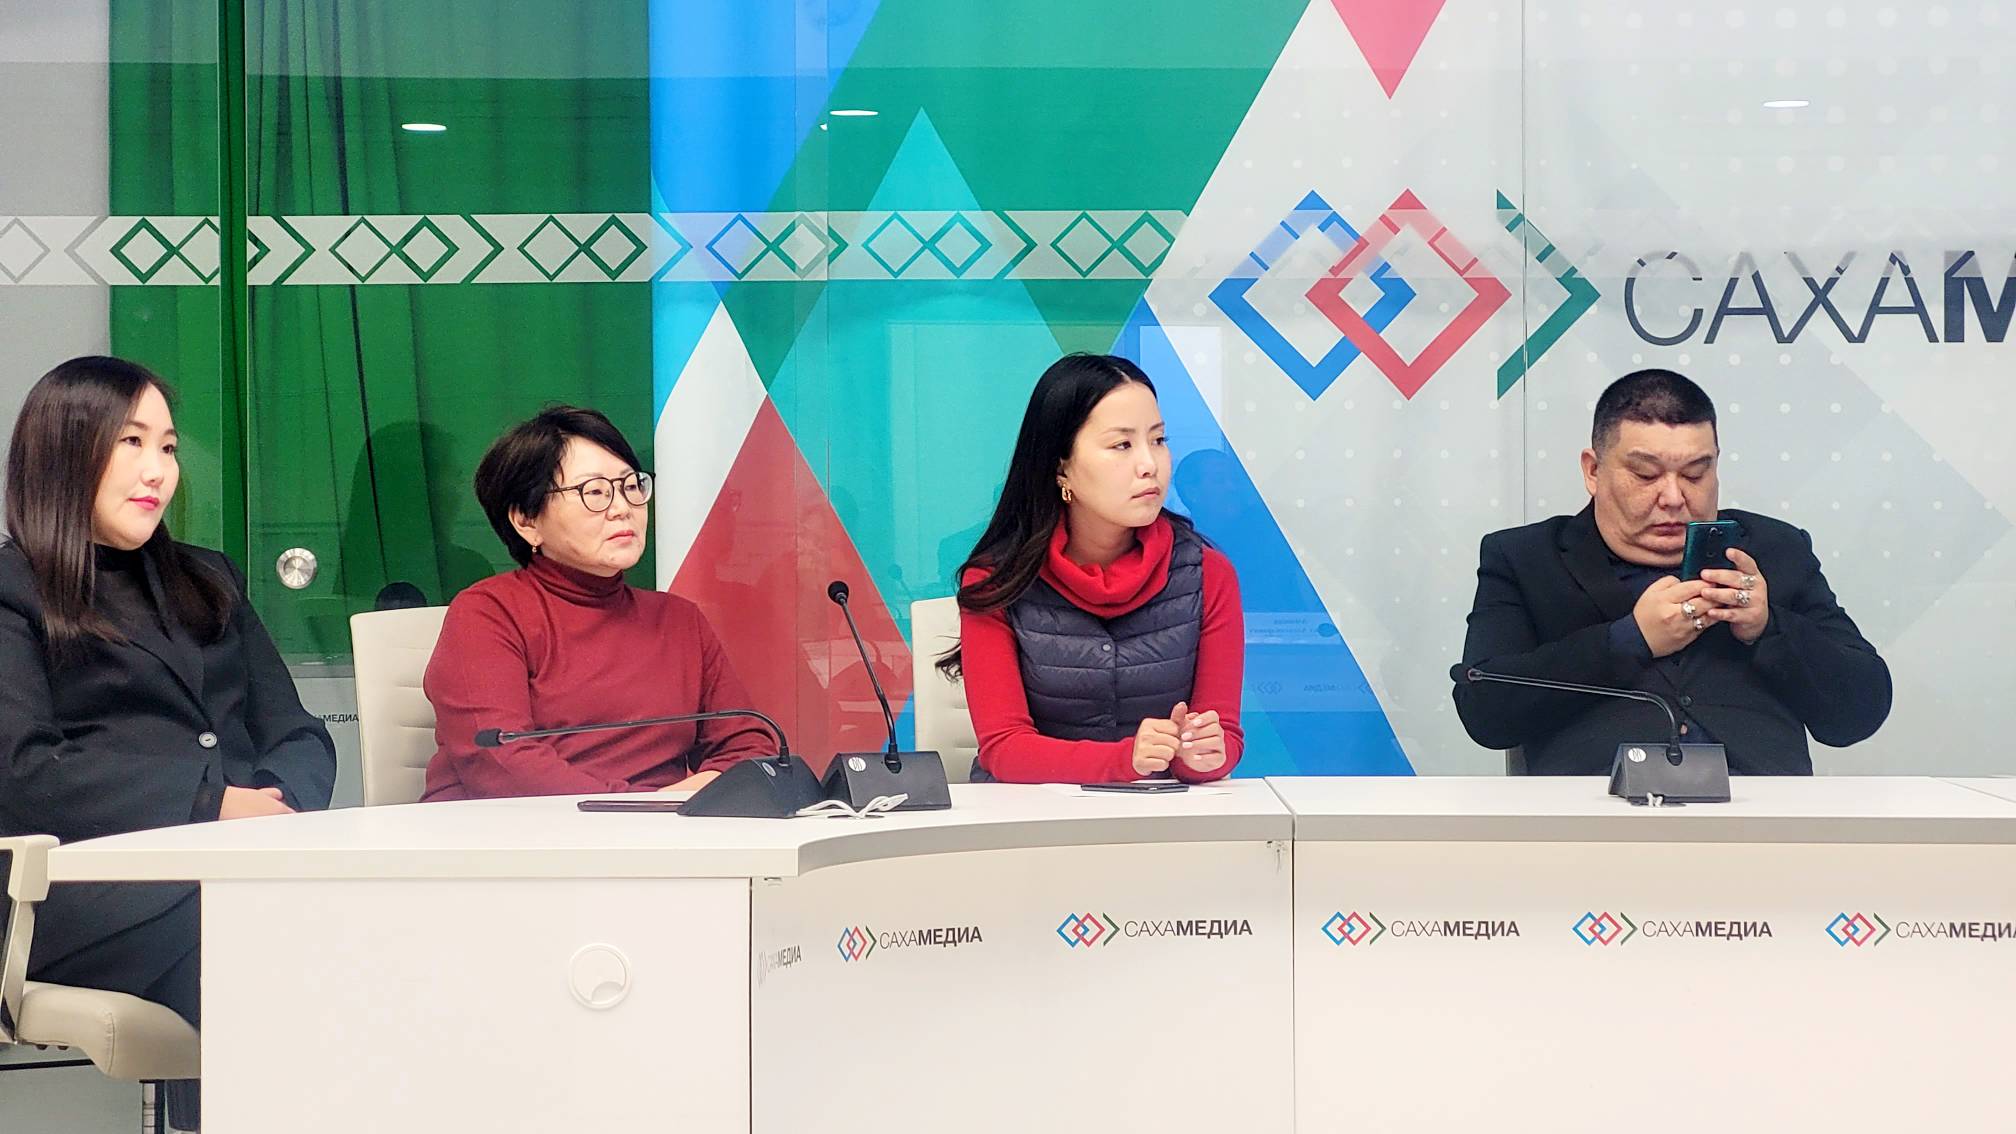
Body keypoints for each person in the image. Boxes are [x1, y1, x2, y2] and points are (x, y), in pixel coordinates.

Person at [0, 356, 337, 1128]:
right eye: (132, 442)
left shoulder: (208, 577)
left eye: (169, 447)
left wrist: (277, 807)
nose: (158, 470)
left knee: (361, 931)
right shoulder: (15, 591)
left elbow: (296, 732)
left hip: (240, 869)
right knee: (264, 946)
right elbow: (25, 773)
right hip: (80, 892)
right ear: (65, 450)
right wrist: (212, 804)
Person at [1452, 368, 1891, 774]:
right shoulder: (1526, 558)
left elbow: (1860, 711)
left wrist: (1768, 628)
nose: (1674, 498)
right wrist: (1628, 640)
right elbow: (1484, 708)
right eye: (1646, 475)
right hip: (1595, 814)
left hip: (1760, 813)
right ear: (1593, 470)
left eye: (1696, 475)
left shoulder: (1776, 550)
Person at [422, 406, 773, 799]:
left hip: (662, 830)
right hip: (514, 830)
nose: (622, 508)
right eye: (594, 492)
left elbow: (750, 747)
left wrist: (674, 805)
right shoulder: (488, 613)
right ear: (526, 520)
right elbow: (501, 763)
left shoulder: (679, 620)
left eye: (631, 486)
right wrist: (647, 807)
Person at [939, 354, 1244, 784]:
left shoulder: (1209, 573)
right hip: (1030, 812)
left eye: (1158, 440)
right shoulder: (996, 581)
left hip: (1160, 812)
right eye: (1122, 445)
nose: (1150, 465)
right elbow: (1004, 748)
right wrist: (1126, 760)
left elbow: (1222, 735)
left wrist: (1203, 754)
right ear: (1060, 465)